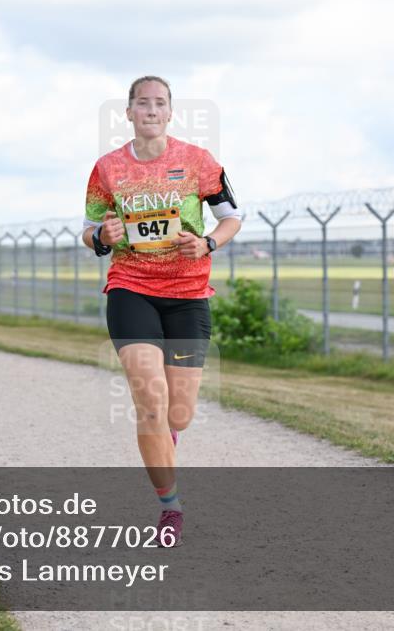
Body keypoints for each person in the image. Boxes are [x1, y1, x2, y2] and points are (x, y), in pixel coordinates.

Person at [81, 76, 242, 547]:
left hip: (189, 294)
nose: (151, 110)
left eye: (160, 103)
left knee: (180, 413)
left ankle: (164, 446)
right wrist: (101, 239)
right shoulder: (107, 168)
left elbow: (232, 215)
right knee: (150, 403)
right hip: (130, 287)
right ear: (128, 112)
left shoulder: (197, 161)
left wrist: (209, 242)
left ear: (170, 113)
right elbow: (89, 230)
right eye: (142, 103)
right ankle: (170, 507)